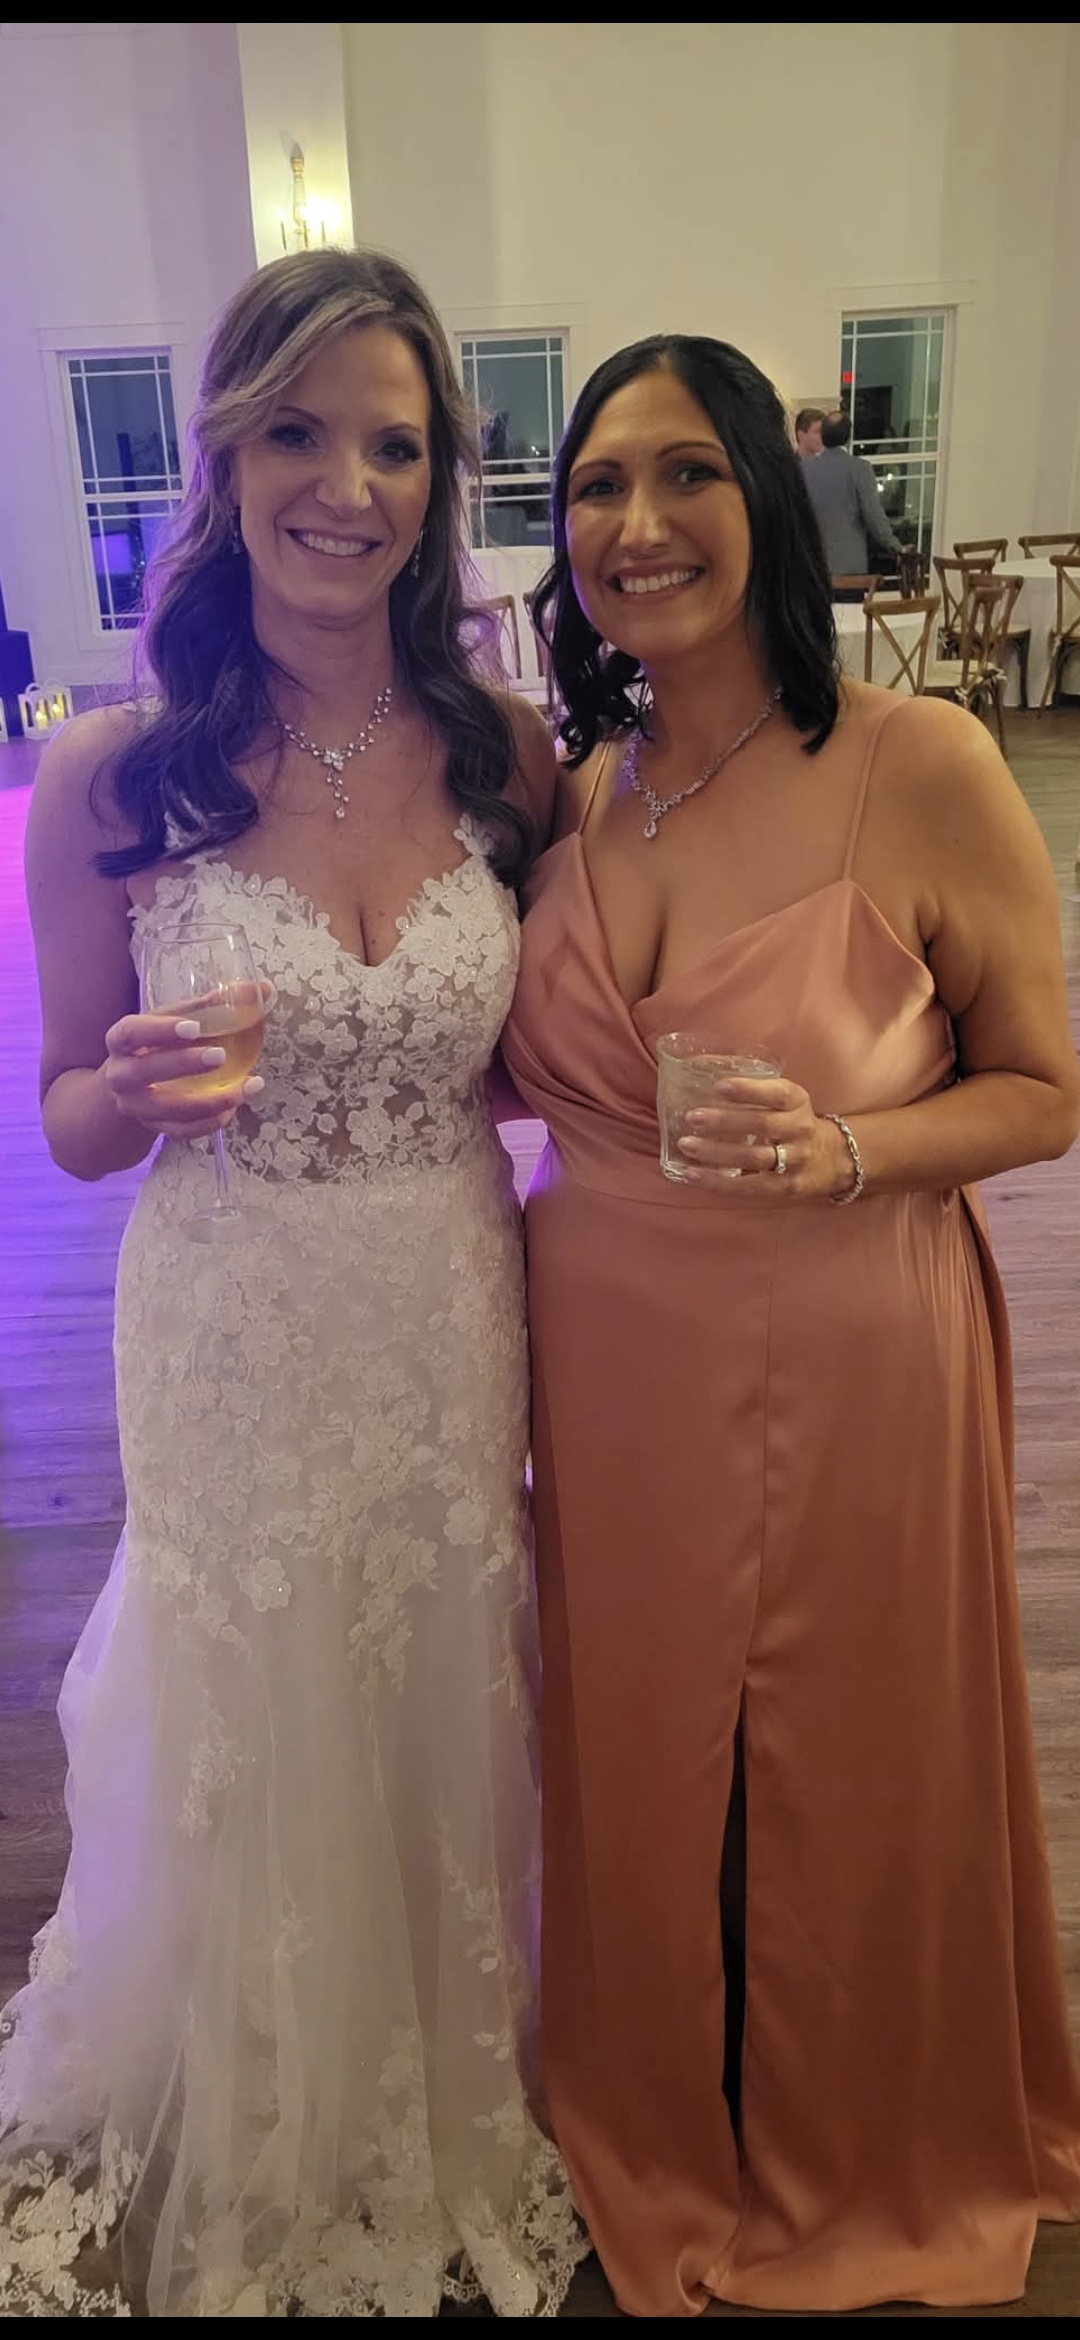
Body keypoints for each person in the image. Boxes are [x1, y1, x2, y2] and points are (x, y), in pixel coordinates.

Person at [0, 246, 586, 2318]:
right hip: (228, 1308)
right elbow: (67, 1118)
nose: (349, 487)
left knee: (435, 1674)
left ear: (441, 481)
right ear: (226, 457)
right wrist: (131, 1090)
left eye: (396, 446)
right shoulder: (112, 771)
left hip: (445, 1295)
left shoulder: (508, 754)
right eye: (301, 436)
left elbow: (547, 1052)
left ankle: (436, 2073)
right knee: (250, 1694)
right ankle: (254, 2102)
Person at [501, 331, 1080, 2316]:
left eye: (685, 473)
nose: (638, 521)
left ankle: (860, 2129)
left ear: (768, 494)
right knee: (640, 1749)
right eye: (596, 485)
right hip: (606, 1370)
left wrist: (850, 1148)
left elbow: (1045, 1090)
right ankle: (664, 2104)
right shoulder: (580, 796)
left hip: (848, 1337)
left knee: (846, 1744)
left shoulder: (920, 764)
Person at [802, 405, 901, 584]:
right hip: (851, 570)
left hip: (813, 568)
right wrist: (896, 547)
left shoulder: (803, 470)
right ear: (848, 437)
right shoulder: (860, 469)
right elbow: (873, 517)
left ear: (823, 436)